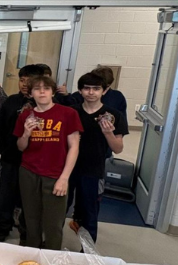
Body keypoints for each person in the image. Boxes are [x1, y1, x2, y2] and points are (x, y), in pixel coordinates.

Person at [14, 75, 82, 250]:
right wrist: (26, 133)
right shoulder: (26, 116)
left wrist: (64, 178)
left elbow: (74, 147)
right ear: (31, 94)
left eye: (46, 88)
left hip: (55, 174)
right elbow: (21, 147)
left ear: (53, 92)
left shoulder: (68, 114)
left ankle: (53, 258)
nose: (42, 92)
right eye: (37, 89)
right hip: (29, 172)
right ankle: (33, 257)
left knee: (53, 224)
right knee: (31, 220)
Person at [67, 71, 127, 242]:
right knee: (60, 206)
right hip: (67, 167)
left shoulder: (114, 115)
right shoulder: (70, 113)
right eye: (86, 88)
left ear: (104, 91)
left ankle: (88, 250)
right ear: (80, 91)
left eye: (96, 88)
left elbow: (118, 148)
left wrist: (108, 133)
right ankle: (51, 244)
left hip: (93, 169)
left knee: (90, 210)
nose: (91, 92)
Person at [0, 64, 41, 242]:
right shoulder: (11, 101)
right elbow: (1, 128)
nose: (24, 84)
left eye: (29, 81)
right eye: (22, 80)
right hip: (11, 156)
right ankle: (3, 226)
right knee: (6, 195)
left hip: (34, 159)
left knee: (29, 198)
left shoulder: (44, 103)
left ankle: (26, 231)